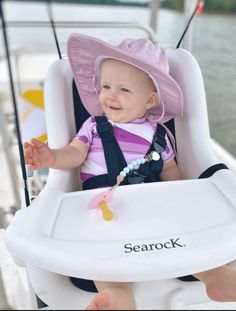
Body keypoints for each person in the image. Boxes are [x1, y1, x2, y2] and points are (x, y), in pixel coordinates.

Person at [24, 34, 236, 310]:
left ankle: (215, 276)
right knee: (99, 255)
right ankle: (117, 295)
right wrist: (51, 156)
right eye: (106, 86)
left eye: (124, 90)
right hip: (103, 211)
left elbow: (171, 173)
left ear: (149, 101)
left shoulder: (157, 135)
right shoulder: (92, 126)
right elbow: (74, 155)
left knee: (185, 234)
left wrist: (184, 207)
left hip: (152, 208)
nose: (110, 95)